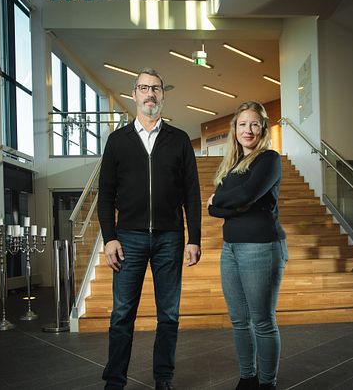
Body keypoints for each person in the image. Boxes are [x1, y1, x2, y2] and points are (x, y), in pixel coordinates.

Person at [98, 68, 202, 390]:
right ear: (134, 95)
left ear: (162, 95)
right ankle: (115, 380)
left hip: (170, 238)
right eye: (143, 88)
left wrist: (193, 238)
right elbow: (105, 195)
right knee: (122, 315)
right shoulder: (118, 141)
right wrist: (109, 238)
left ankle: (163, 379)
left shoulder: (179, 140)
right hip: (128, 237)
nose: (150, 94)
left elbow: (192, 194)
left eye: (155, 88)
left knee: (168, 314)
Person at [207, 101, 287, 390]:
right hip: (231, 249)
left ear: (263, 128)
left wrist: (224, 202)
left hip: (261, 247)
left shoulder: (269, 159)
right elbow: (216, 209)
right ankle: (247, 378)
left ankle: (267, 383)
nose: (248, 130)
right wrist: (231, 204)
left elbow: (246, 195)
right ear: (235, 129)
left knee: (262, 322)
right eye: (242, 124)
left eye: (254, 123)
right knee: (239, 320)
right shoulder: (230, 166)